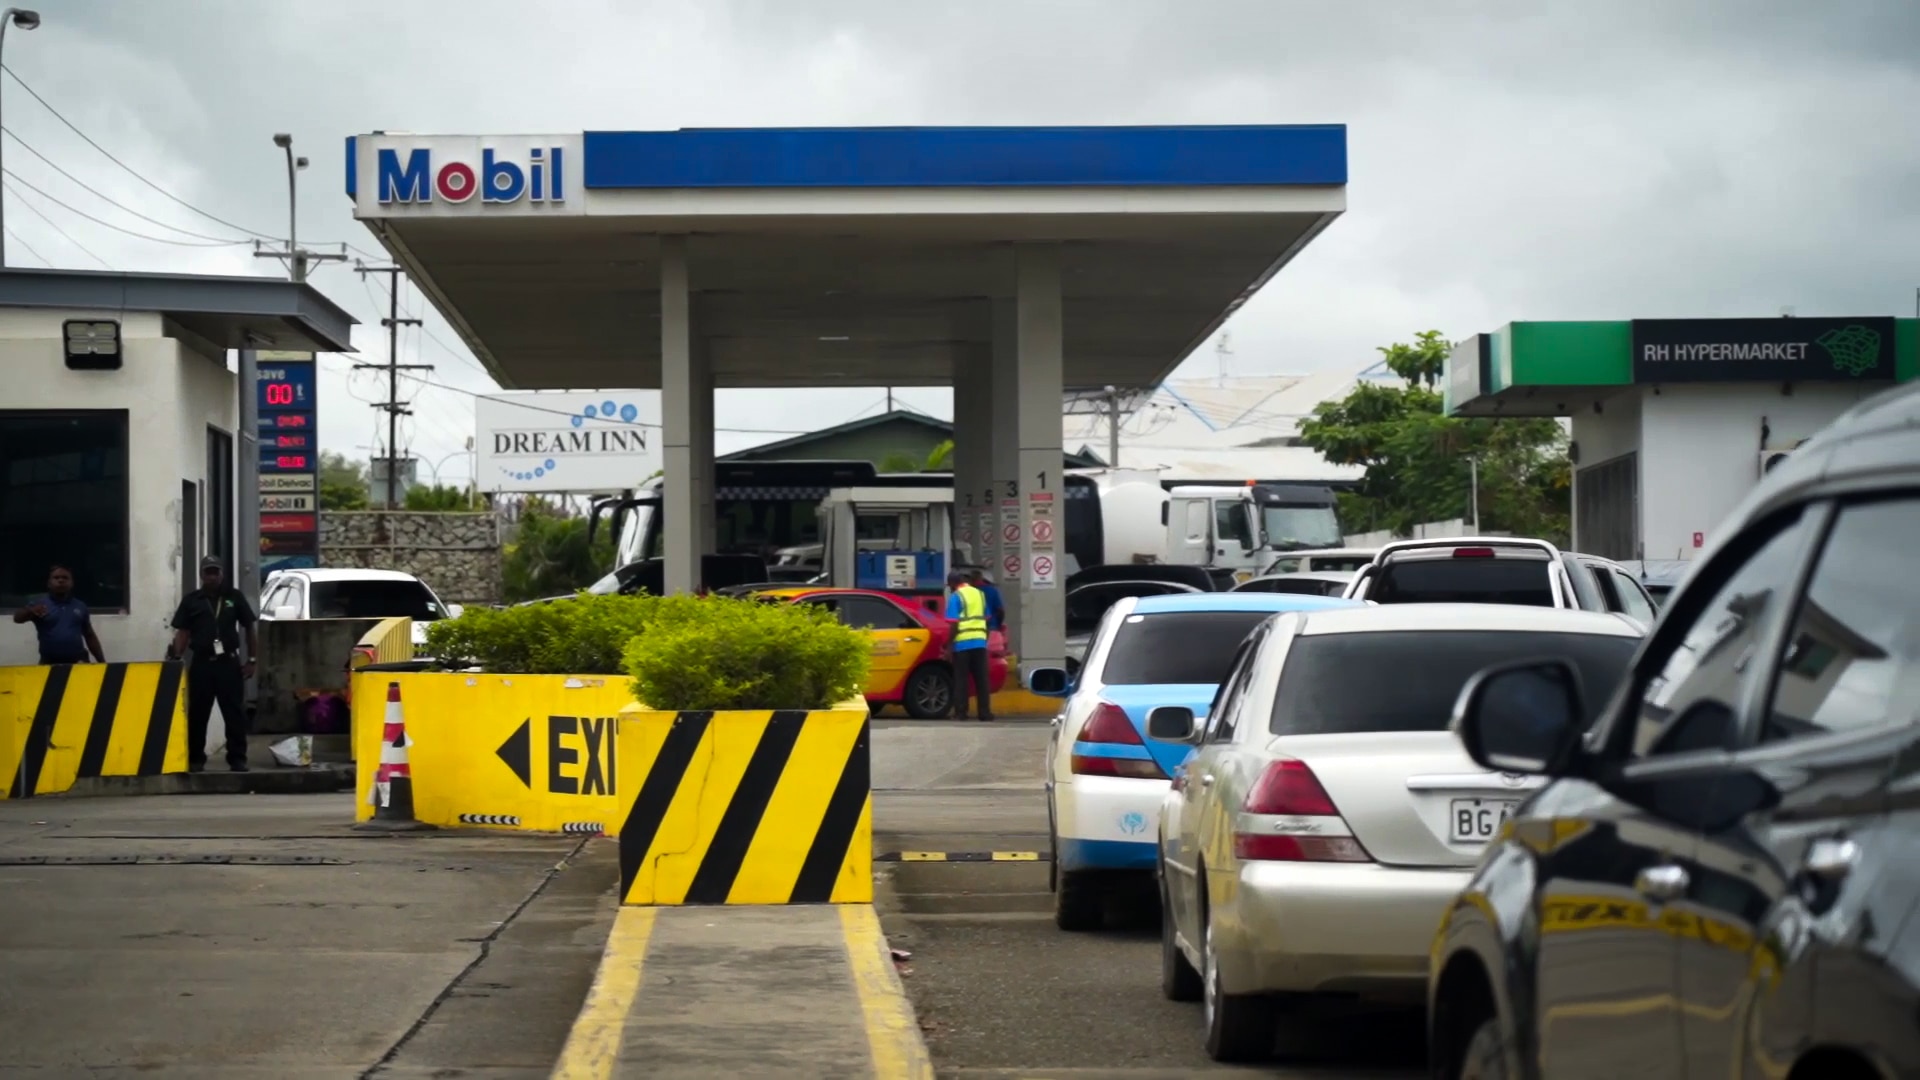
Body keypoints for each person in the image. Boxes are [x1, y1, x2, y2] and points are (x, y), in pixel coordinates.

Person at [168, 556, 258, 774]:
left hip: (228, 663)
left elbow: (249, 627)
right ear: (201, 575)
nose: (212, 577)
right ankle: (196, 759)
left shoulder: (234, 597)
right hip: (202, 664)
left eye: (215, 572)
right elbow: (183, 632)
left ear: (222, 574)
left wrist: (252, 660)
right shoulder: (192, 600)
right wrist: (176, 658)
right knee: (198, 713)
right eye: (208, 572)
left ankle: (237, 759)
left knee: (234, 713)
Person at [12, 564, 106, 665]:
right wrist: (31, 611)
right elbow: (17, 619)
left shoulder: (80, 606)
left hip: (78, 662)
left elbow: (89, 635)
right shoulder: (39, 604)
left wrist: (102, 663)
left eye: (65, 578)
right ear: (49, 583)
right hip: (48, 663)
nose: (61, 580)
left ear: (72, 583)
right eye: (56, 578)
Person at [943, 569, 993, 722]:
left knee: (961, 680)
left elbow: (954, 625)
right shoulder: (979, 594)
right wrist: (984, 638)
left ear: (953, 584)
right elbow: (987, 619)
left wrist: (949, 646)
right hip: (980, 642)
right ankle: (985, 713)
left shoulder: (956, 596)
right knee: (982, 680)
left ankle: (961, 713)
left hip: (962, 644)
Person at [968, 566, 1007, 632]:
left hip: (972, 628)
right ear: (981, 579)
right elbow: (1000, 611)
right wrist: (999, 625)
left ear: (971, 580)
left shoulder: (968, 592)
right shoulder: (992, 591)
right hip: (991, 627)